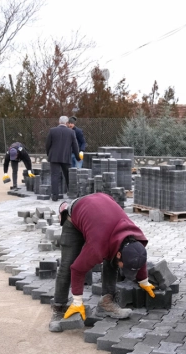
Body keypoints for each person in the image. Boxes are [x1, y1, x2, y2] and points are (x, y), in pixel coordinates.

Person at [49, 193, 156, 332]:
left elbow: (138, 255)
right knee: (67, 266)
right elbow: (77, 269)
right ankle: (59, 309)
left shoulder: (135, 238)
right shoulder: (98, 246)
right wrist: (77, 301)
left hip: (100, 212)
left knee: (113, 260)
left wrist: (144, 281)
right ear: (120, 254)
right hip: (75, 216)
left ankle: (106, 303)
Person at [46, 116, 81, 201]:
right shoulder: (71, 132)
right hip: (66, 157)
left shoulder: (52, 131)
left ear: (59, 122)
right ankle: (71, 193)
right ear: (67, 123)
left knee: (54, 176)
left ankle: (54, 196)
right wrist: (78, 157)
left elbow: (47, 144)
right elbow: (75, 146)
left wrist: (49, 154)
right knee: (68, 175)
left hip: (54, 157)